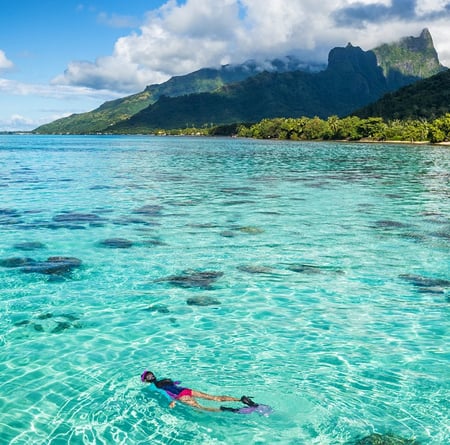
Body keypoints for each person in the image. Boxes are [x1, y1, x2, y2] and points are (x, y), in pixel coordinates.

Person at [141, 370, 257, 412]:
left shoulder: (154, 386)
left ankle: (232, 410)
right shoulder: (166, 380)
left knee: (201, 408)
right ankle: (241, 399)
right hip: (186, 390)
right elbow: (176, 383)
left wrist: (173, 402)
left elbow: (166, 393)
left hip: (180, 396)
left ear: (146, 381)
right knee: (214, 397)